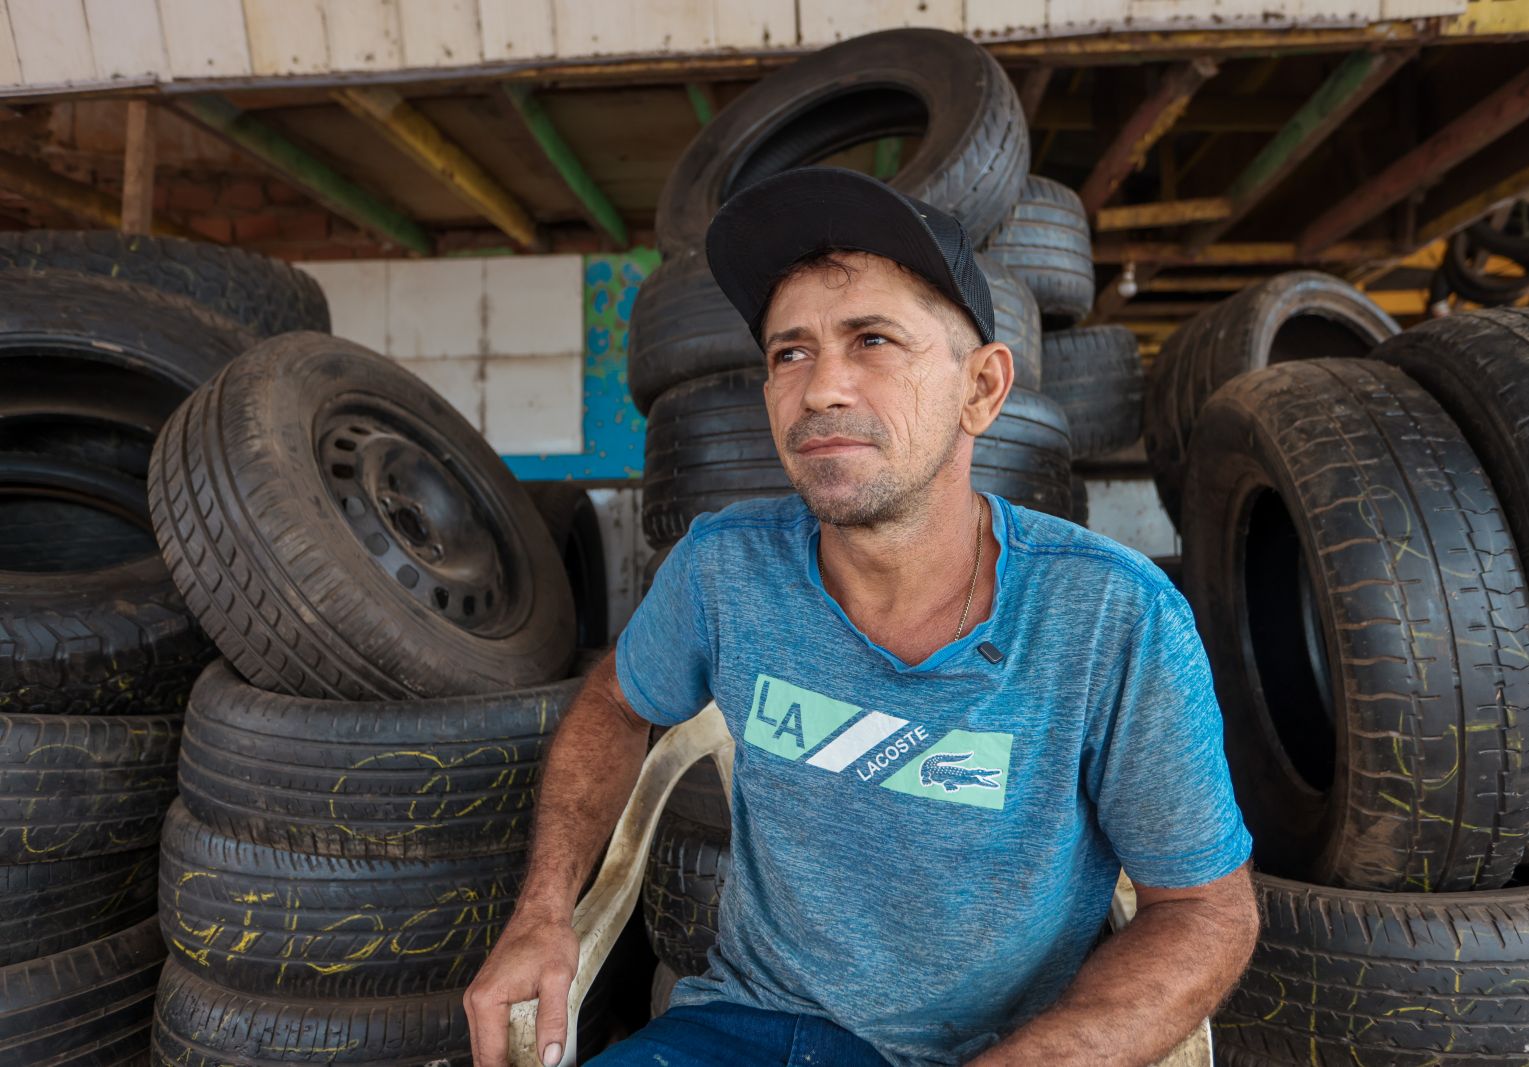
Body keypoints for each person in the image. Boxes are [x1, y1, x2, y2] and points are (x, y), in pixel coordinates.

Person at [464, 166, 1259, 1067]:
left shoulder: (1114, 618)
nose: (820, 390)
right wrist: (542, 911)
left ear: (983, 390)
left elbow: (1202, 908)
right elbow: (616, 701)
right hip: (741, 1027)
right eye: (788, 352)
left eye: (872, 339)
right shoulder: (725, 568)